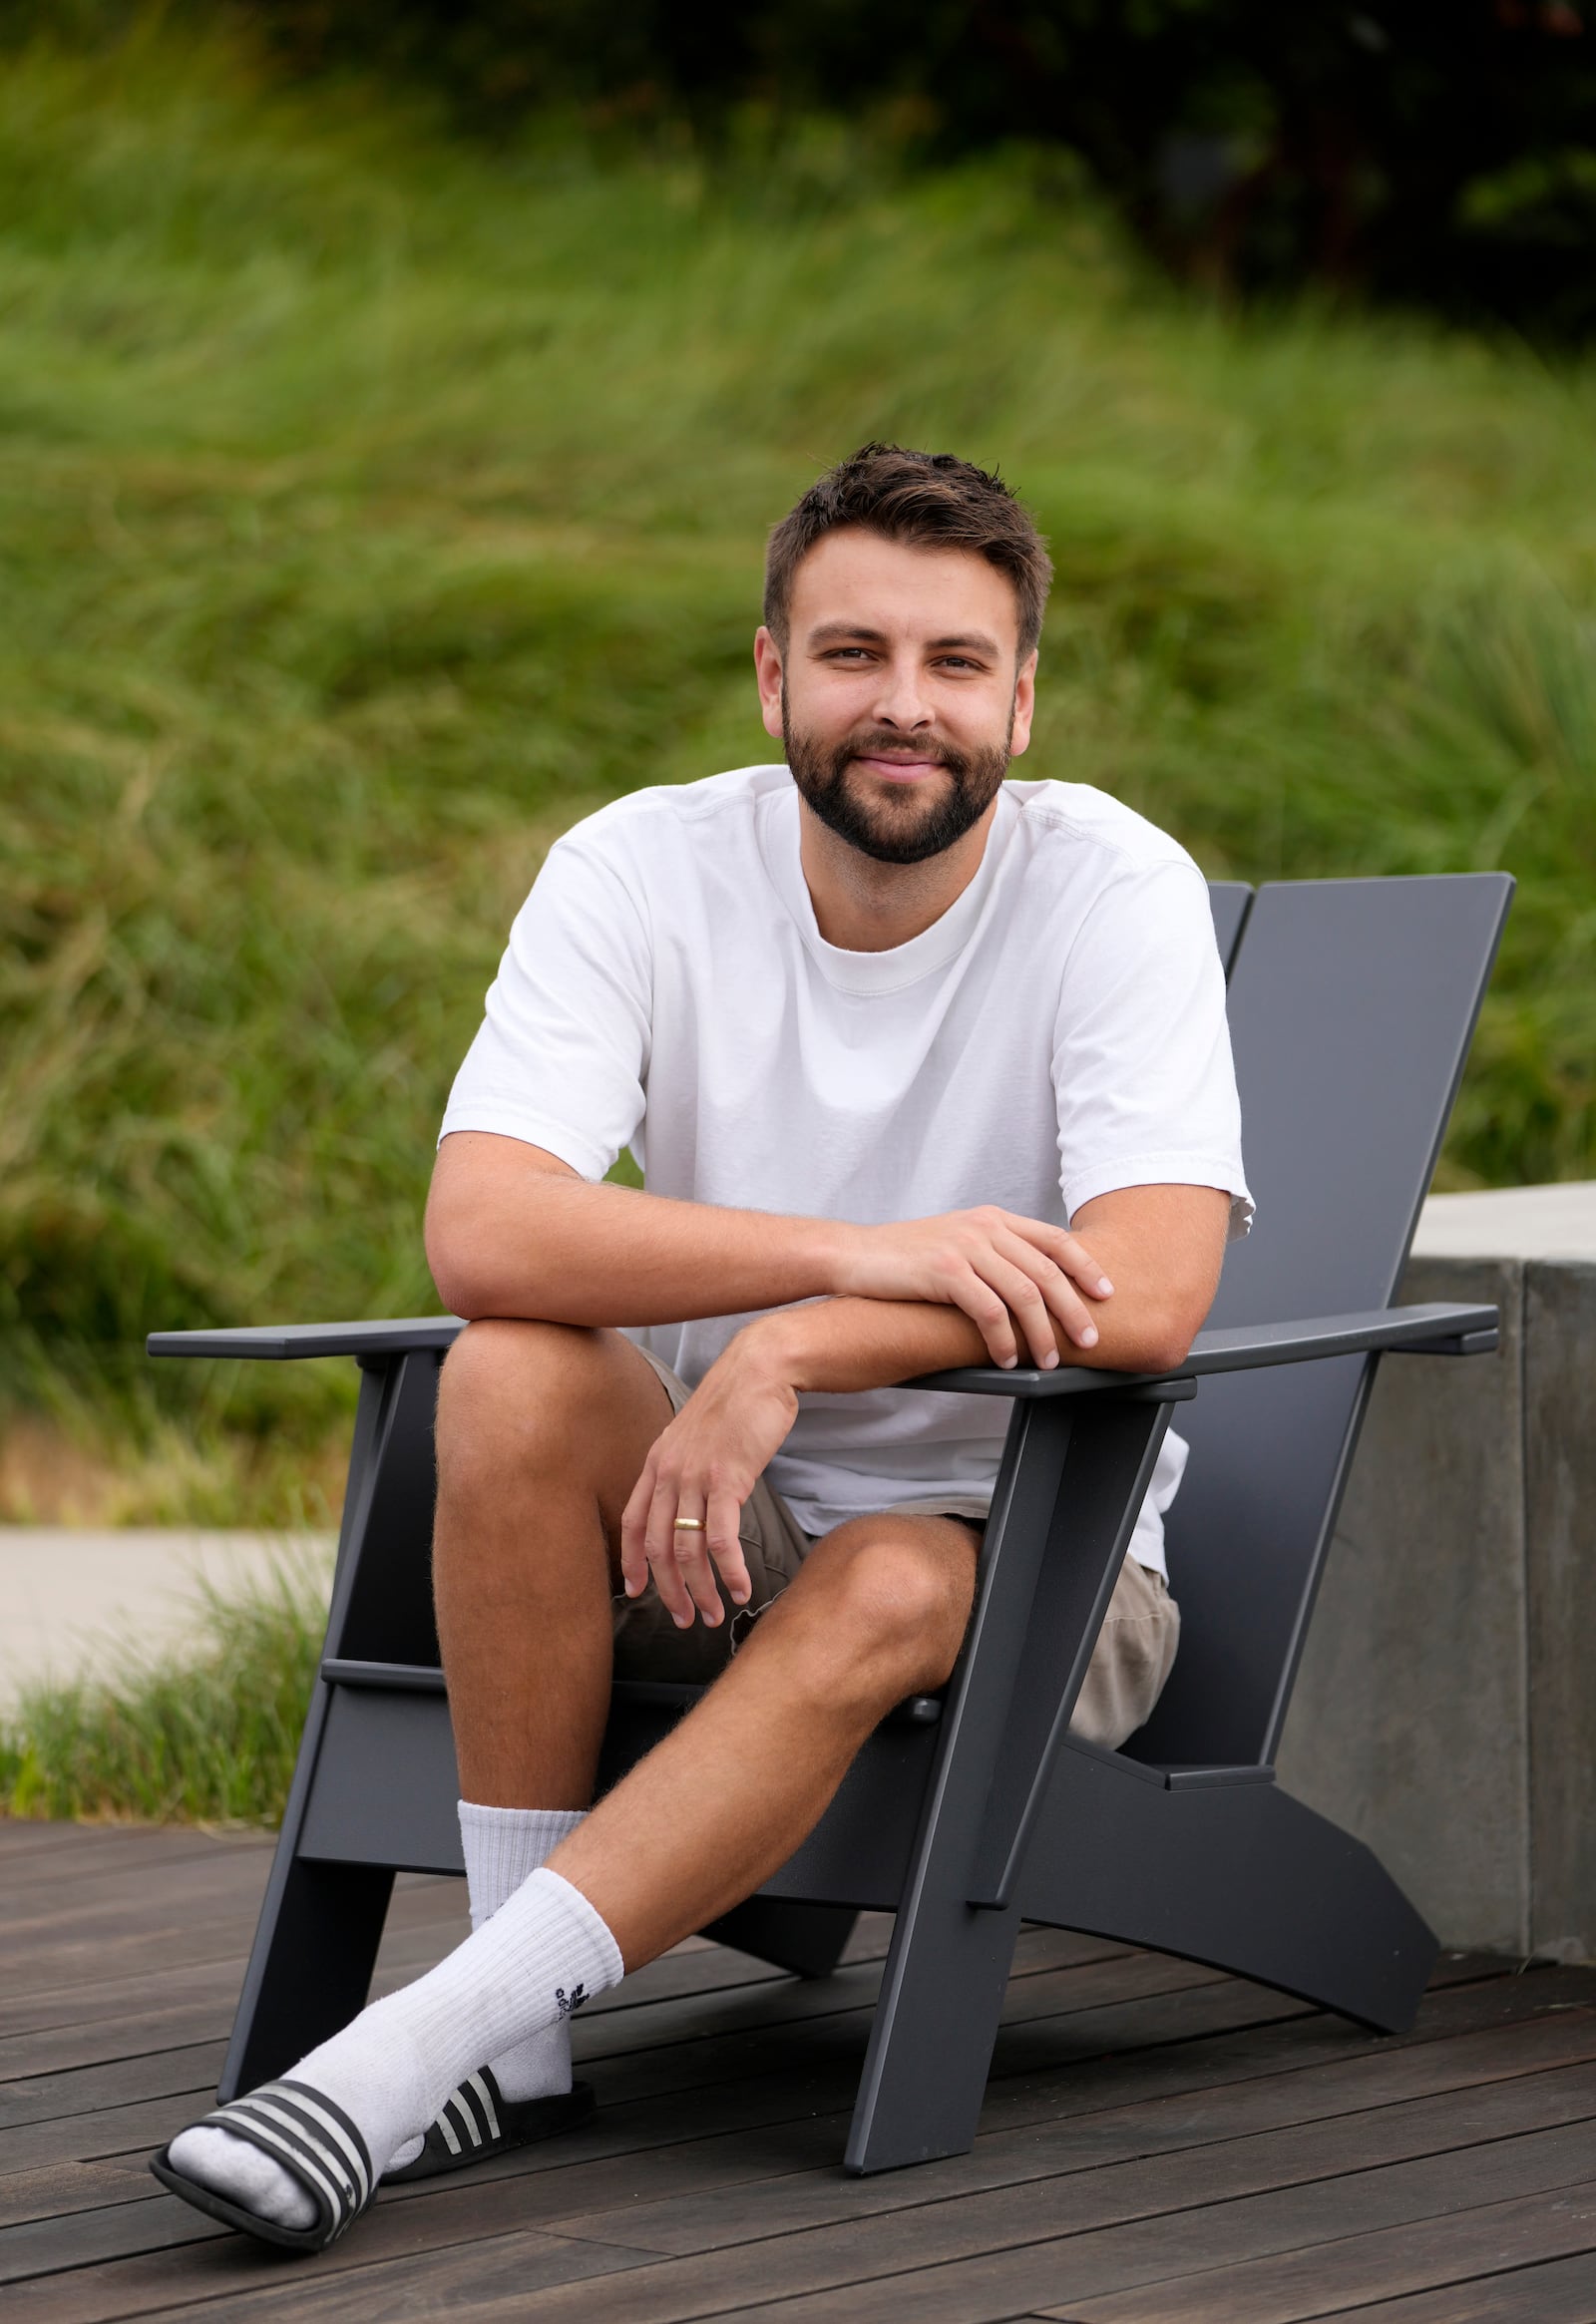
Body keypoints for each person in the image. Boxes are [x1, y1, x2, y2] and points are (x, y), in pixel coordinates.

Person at [154, 444, 1251, 2251]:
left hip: (1036, 1561)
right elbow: (484, 1224)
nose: (905, 707)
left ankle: (422, 2041)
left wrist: (798, 1345)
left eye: (957, 662)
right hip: (708, 1524)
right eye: (853, 653)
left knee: (896, 1570)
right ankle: (529, 2057)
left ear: (1024, 695)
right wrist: (858, 1254)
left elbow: (1150, 1288)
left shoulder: (1108, 890)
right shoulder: (643, 867)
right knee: (506, 1365)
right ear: (770, 674)